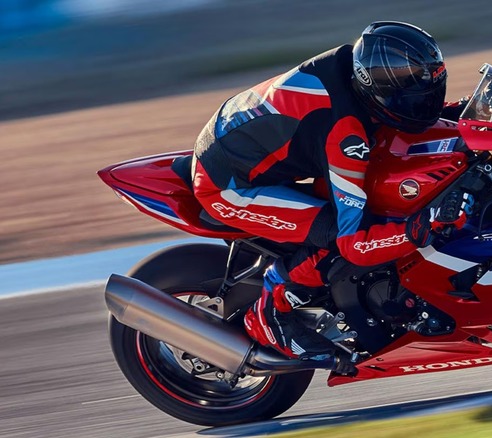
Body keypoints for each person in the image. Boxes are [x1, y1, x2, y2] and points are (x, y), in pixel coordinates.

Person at [192, 21, 469, 360]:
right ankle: (270, 310)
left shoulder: (354, 66)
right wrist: (419, 229)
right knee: (335, 233)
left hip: (244, 142)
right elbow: (355, 246)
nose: (424, 104)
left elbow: (412, 118)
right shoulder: (346, 134)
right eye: (415, 100)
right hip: (229, 186)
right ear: (378, 90)